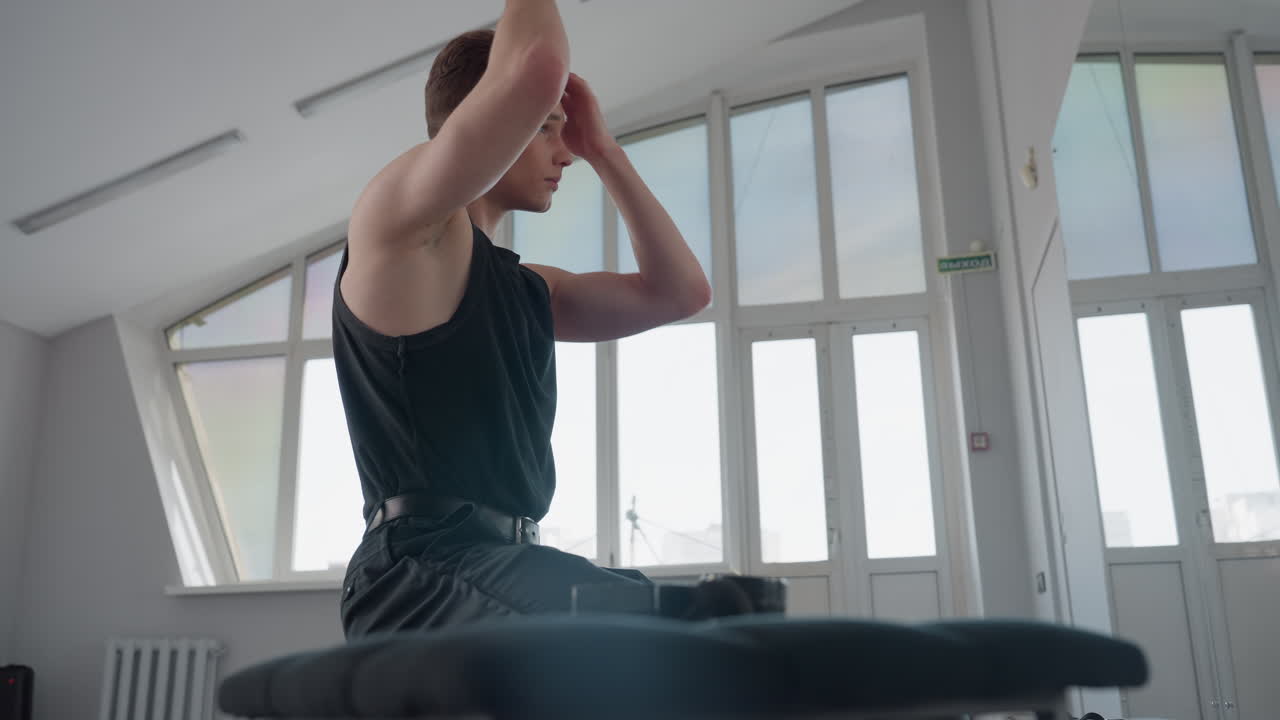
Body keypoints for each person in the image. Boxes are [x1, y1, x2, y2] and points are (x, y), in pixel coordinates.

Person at [335, 0, 711, 638]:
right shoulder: (400, 225)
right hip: (418, 572)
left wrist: (604, 149)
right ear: (486, 115)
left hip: (508, 562)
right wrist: (534, 93)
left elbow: (679, 293)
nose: (564, 153)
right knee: (650, 637)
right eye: (547, 127)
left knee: (720, 620)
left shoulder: (529, 287)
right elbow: (536, 64)